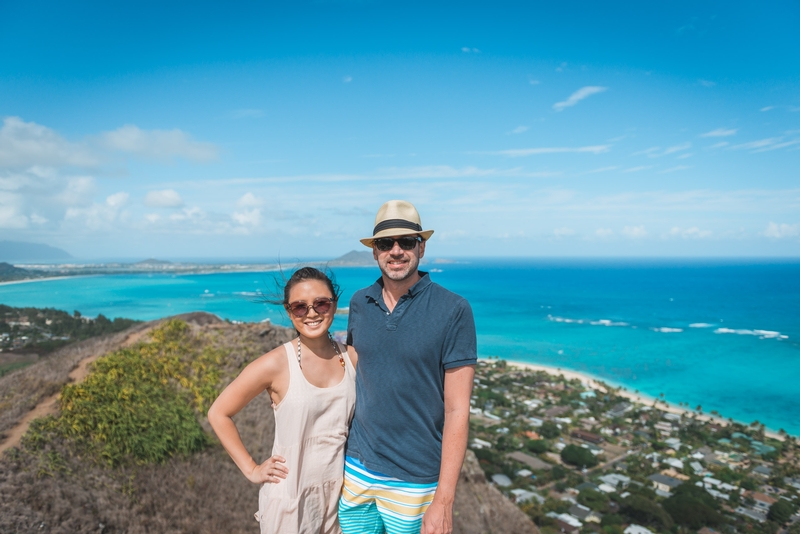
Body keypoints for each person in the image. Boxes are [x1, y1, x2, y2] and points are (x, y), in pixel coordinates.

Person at [338, 200, 477, 534]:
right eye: (386, 243)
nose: (396, 251)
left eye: (406, 242)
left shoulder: (454, 309)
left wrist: (444, 501)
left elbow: (458, 409)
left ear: (422, 247)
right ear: (374, 252)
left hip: (416, 482)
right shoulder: (360, 302)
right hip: (356, 470)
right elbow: (353, 372)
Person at [208, 267, 356, 534]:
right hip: (290, 501)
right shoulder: (275, 364)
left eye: (321, 303)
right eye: (300, 307)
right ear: (289, 312)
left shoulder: (352, 357)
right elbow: (219, 413)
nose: (312, 313)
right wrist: (252, 469)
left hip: (343, 498)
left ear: (334, 305)